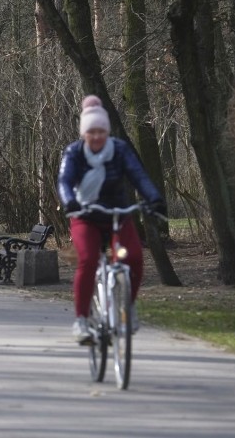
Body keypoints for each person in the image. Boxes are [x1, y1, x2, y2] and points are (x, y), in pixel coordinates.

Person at [57, 95, 166, 344]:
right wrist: (69, 202)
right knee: (88, 260)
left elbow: (138, 175)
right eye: (91, 132)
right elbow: (64, 181)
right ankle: (82, 320)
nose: (96, 137)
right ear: (84, 133)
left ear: (107, 132)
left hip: (117, 215)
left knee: (134, 259)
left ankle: (127, 306)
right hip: (84, 215)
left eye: (101, 132)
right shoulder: (74, 153)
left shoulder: (119, 149)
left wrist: (154, 199)